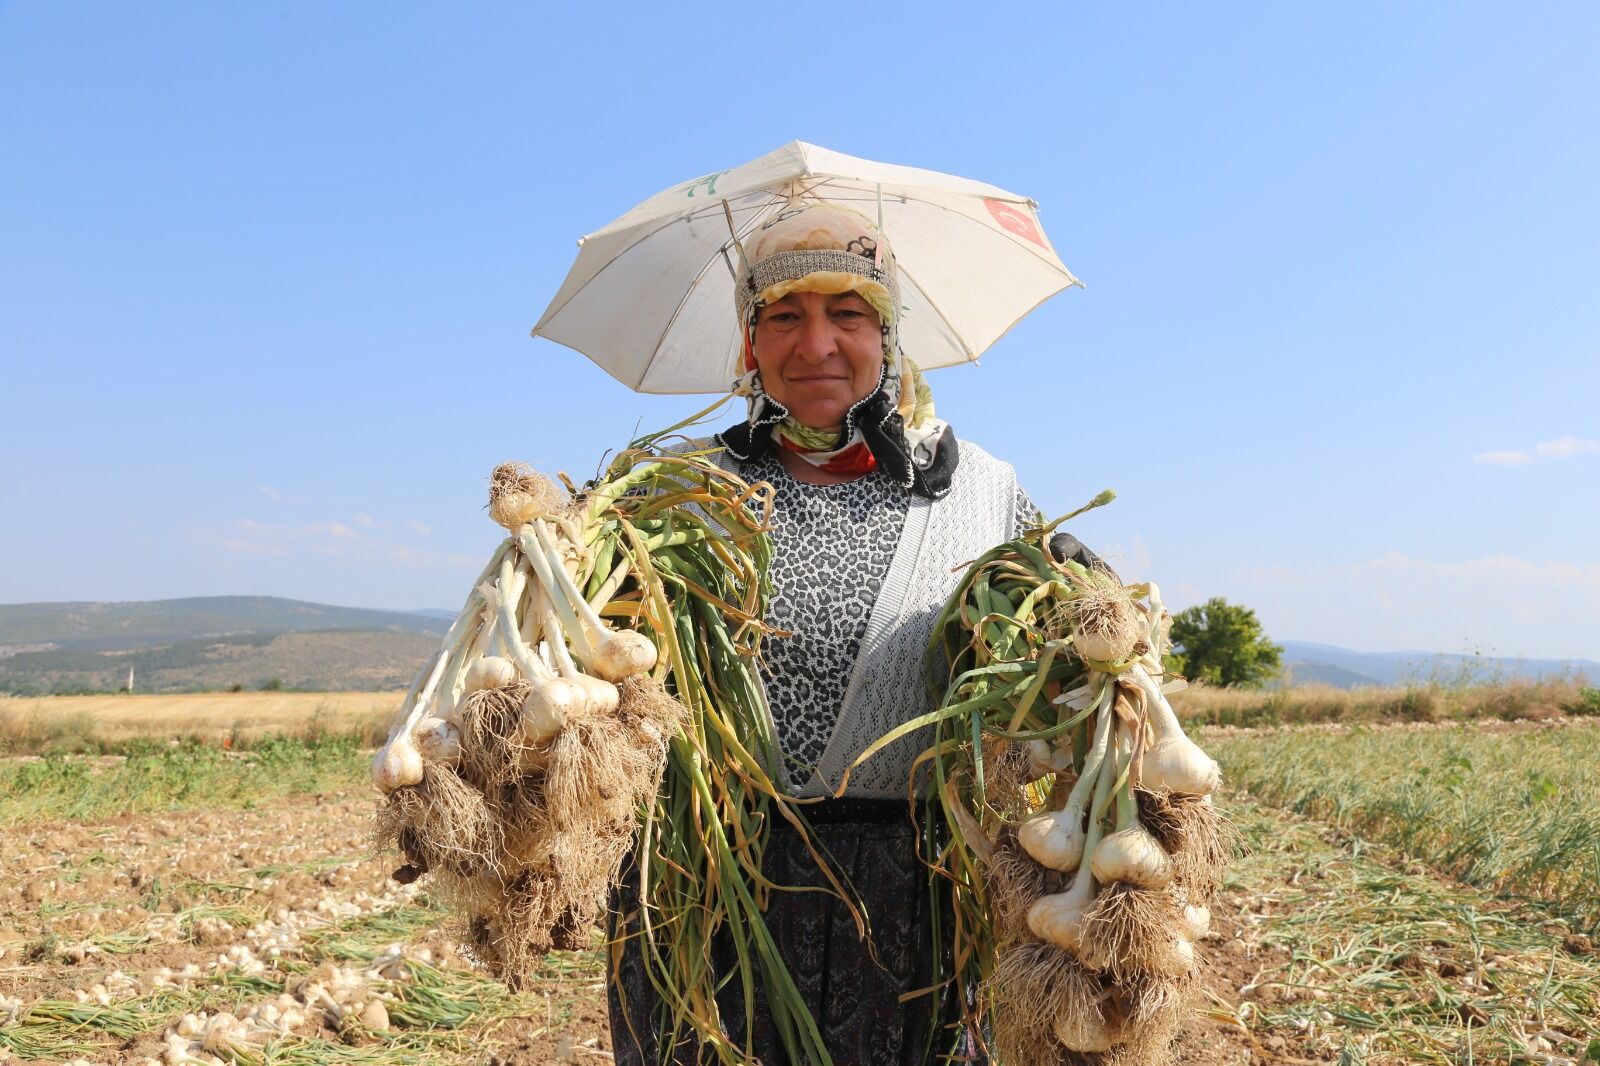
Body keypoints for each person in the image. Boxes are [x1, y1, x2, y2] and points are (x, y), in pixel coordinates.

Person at [607, 204, 1057, 1065]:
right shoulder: (671, 493)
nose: (816, 344)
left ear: (889, 336)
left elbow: (1050, 661)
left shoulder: (979, 494)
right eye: (784, 317)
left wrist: (1072, 600)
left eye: (847, 314)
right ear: (749, 342)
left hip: (916, 915)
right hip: (706, 894)